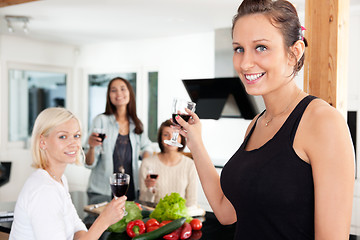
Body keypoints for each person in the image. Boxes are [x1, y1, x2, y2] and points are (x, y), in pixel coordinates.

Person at [175, 0, 355, 239]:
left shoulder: (322, 121)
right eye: (239, 49)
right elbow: (225, 211)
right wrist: (195, 141)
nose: (245, 63)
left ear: (294, 52)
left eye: (261, 47)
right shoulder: (256, 124)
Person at [9, 107, 126, 240]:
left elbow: (77, 228)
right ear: (42, 142)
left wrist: (103, 220)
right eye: (63, 136)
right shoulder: (44, 191)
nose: (74, 143)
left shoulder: (59, 179)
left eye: (76, 136)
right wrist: (104, 220)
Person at [85, 77, 153, 201]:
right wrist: (91, 146)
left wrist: (146, 165)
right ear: (109, 95)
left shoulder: (136, 123)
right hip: (103, 191)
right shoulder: (101, 121)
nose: (119, 94)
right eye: (113, 90)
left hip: (131, 189)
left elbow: (147, 146)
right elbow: (89, 164)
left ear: (129, 93)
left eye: (123, 89)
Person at [139, 120, 197, 207]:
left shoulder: (189, 165)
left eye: (175, 135)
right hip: (155, 216)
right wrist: (150, 189)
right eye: (166, 134)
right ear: (160, 138)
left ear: (181, 138)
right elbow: (143, 201)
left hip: (180, 217)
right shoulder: (147, 163)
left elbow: (192, 201)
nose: (171, 138)